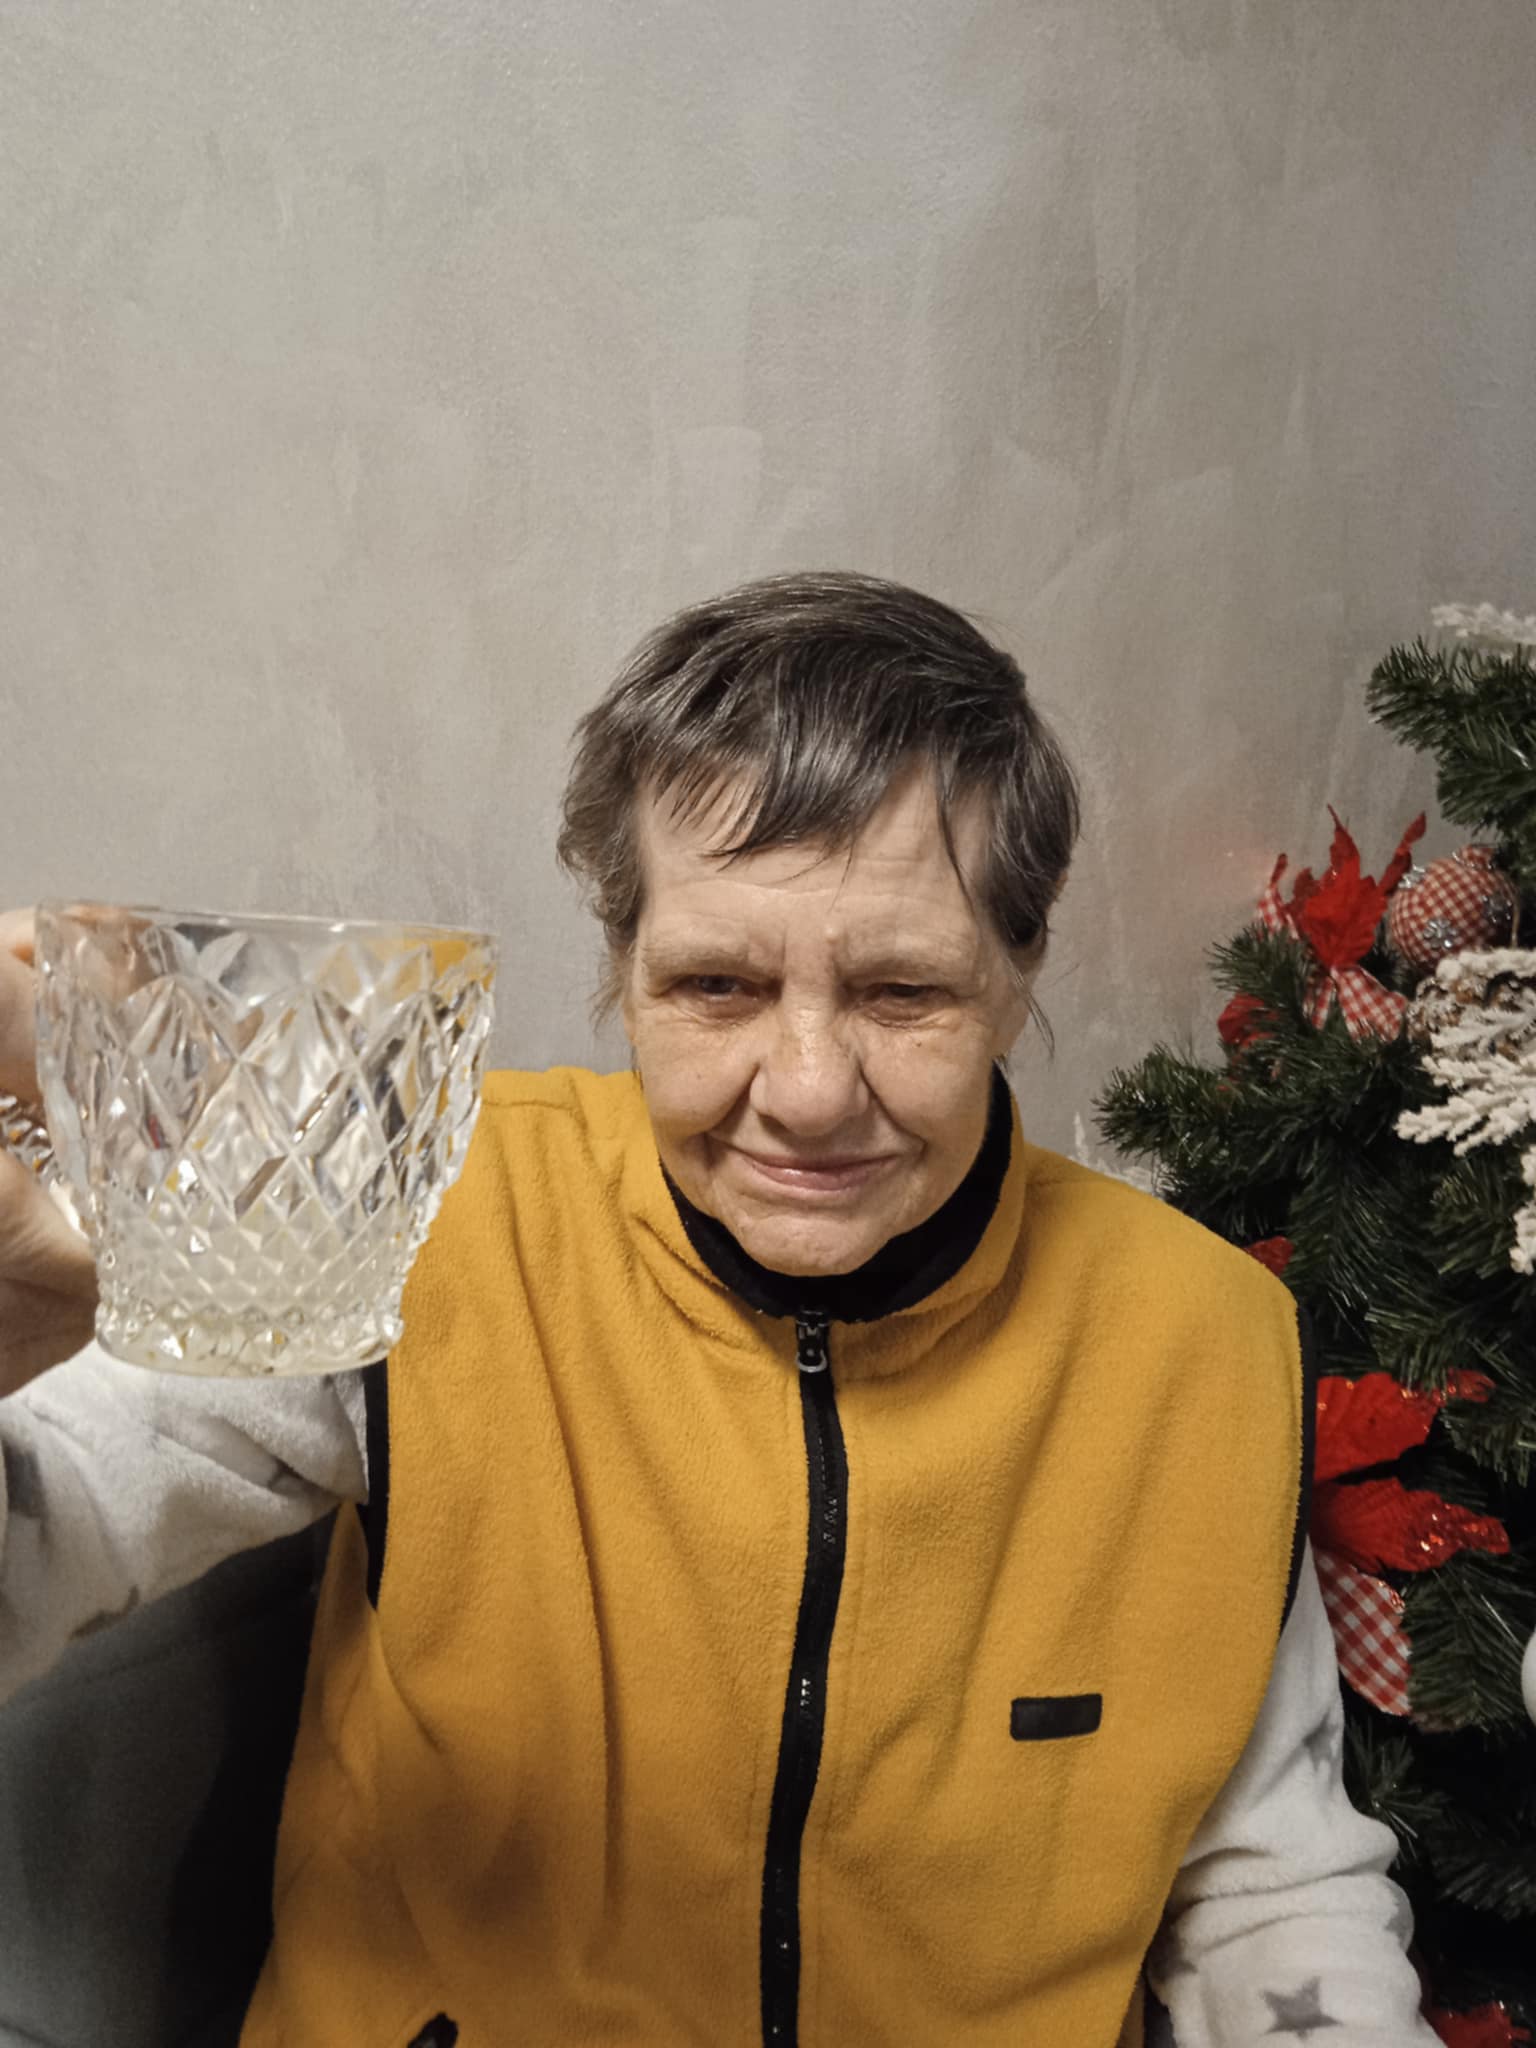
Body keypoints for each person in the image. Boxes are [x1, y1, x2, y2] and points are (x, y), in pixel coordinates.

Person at [0, 572, 1439, 2047]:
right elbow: (52, 1531)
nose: (807, 1092)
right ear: (621, 972)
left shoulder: (1204, 1342)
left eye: (903, 993)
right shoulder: (420, 1206)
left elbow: (1273, 1893)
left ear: (1019, 977)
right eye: (715, 986)